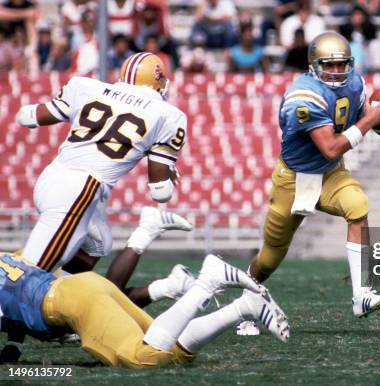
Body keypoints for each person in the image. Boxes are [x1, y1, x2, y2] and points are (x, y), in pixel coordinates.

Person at [238, 31, 380, 335]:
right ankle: (245, 303)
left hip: (329, 174)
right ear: (313, 65)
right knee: (270, 257)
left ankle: (361, 294)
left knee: (358, 205)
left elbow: (364, 120)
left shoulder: (355, 82)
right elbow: (332, 146)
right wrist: (371, 120)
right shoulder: (303, 96)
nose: (337, 71)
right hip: (295, 179)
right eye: (329, 65)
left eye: (342, 65)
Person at [14, 52, 187, 275]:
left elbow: (26, 117)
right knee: (27, 275)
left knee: (98, 243)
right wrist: (157, 160)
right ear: (158, 81)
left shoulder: (86, 87)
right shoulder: (168, 115)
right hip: (79, 190)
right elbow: (160, 192)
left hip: (51, 177)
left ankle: (60, 294)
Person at [0, 252, 289, 367]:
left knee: (142, 359)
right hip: (83, 287)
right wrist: (13, 347)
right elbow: (16, 294)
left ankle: (208, 282)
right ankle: (244, 308)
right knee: (169, 350)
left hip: (70, 303)